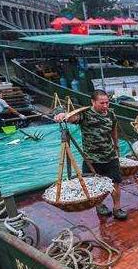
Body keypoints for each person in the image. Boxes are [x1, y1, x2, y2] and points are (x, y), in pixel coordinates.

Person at [53, 90, 127, 220]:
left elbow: (114, 129)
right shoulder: (85, 114)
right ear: (93, 102)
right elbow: (72, 118)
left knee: (115, 183)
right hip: (91, 159)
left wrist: (116, 145)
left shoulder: (111, 114)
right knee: (94, 185)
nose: (105, 106)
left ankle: (117, 208)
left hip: (110, 156)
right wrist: (62, 115)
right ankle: (100, 205)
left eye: (107, 102)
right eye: (101, 103)